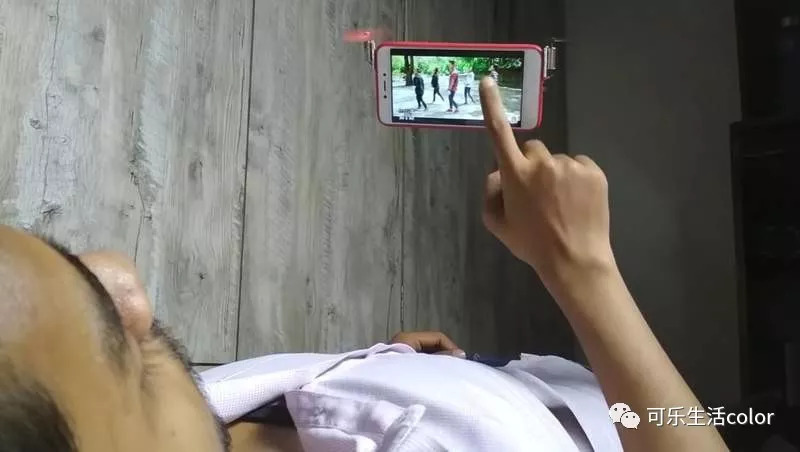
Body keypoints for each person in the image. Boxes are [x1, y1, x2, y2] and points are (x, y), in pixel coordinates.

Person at [0, 78, 729, 452]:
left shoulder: (189, 420)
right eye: (111, 342)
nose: (121, 274)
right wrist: (583, 268)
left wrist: (392, 374)